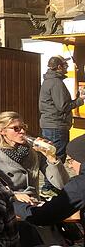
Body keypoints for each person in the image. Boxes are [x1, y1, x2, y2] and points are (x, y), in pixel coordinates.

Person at [0, 111, 68, 203]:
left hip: (33, 202)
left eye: (23, 127)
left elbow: (62, 184)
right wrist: (13, 195)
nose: (22, 131)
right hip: (7, 202)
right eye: (16, 128)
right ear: (2, 131)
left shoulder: (33, 149)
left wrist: (51, 158)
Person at [18, 134, 85, 232]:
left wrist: (11, 201)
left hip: (29, 210)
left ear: (81, 159)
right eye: (16, 128)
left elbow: (43, 217)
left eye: (71, 160)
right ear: (2, 131)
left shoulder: (81, 184)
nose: (69, 166)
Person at [39, 55, 84, 194]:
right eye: (65, 64)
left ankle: (49, 186)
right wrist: (80, 100)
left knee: (53, 154)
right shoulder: (56, 83)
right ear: (58, 67)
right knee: (56, 156)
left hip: (51, 124)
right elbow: (63, 106)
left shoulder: (50, 81)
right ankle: (49, 188)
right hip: (56, 125)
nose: (67, 67)